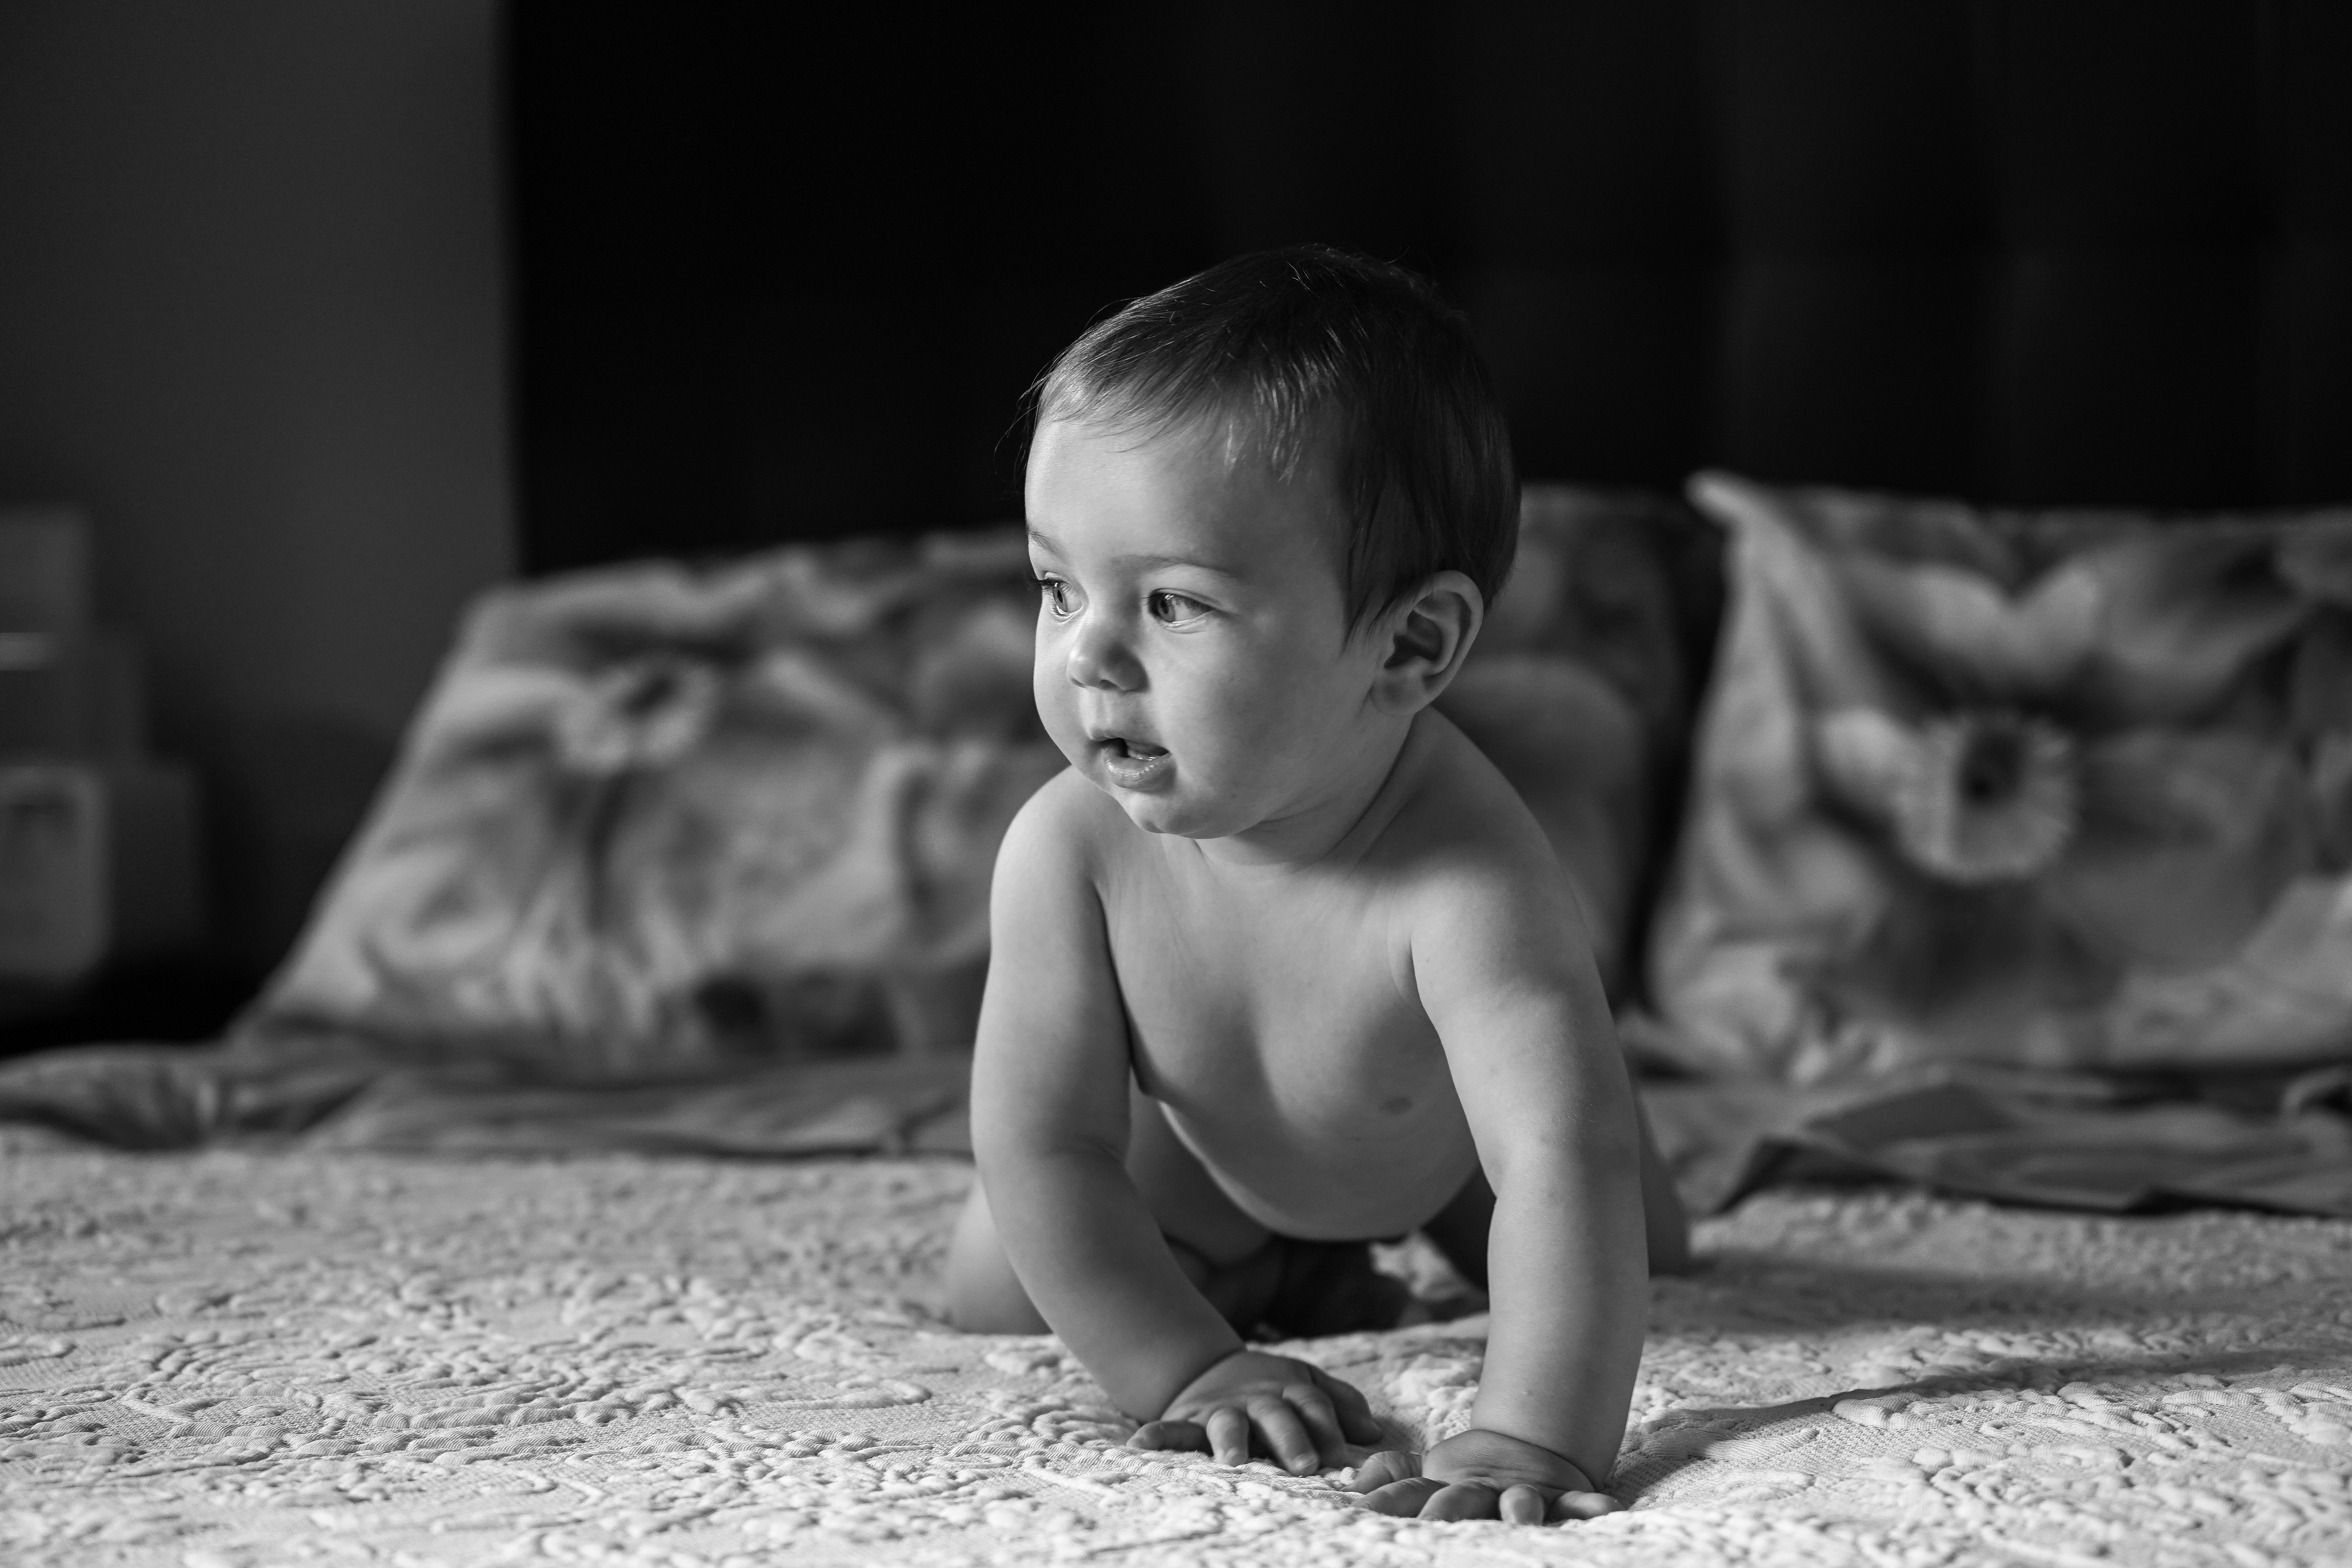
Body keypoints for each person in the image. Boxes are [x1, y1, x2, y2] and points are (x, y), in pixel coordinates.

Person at [946, 245, 1690, 1526]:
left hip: (1434, 1146)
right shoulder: (1068, 850)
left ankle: (1332, 1247)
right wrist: (1190, 1366)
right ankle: (1272, 1263)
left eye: (1173, 603)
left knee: (1625, 1224)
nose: (1088, 654)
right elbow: (1044, 1140)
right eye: (1057, 586)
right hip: (1188, 1151)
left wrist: (1535, 1440)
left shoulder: (1467, 874)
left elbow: (1556, 1162)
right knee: (998, 1289)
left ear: (1408, 645)